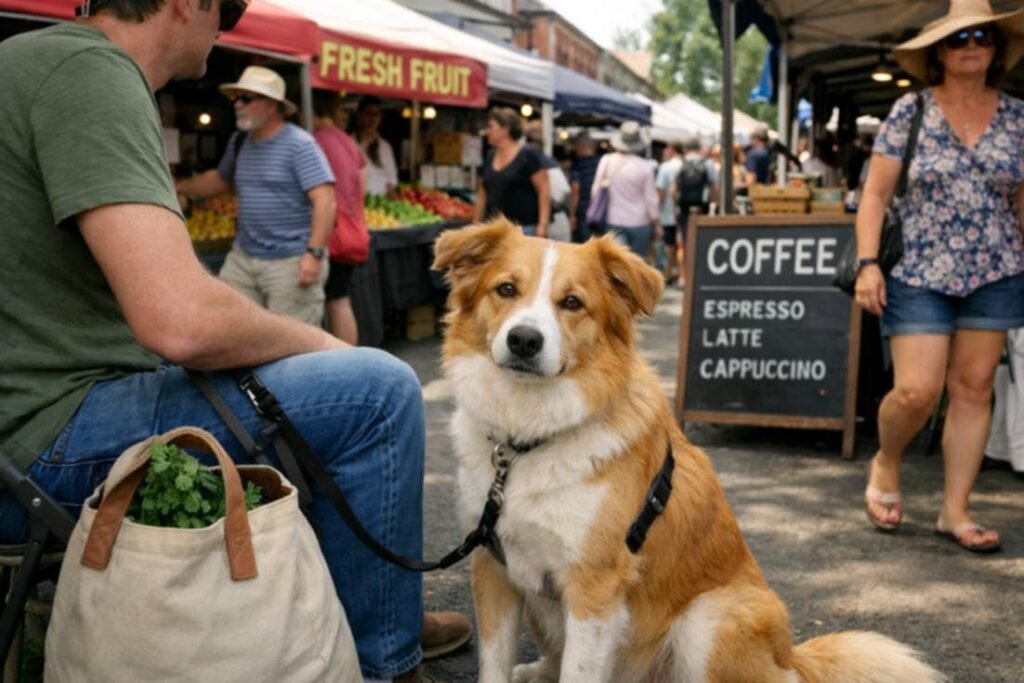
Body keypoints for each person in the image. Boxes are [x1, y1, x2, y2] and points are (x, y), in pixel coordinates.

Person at [0, 2, 468, 681]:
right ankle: (381, 659)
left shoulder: (24, 60)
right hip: (45, 440)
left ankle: (365, 604)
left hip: (22, 429)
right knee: (378, 390)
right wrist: (319, 345)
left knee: (303, 397)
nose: (227, 26)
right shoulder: (90, 69)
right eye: (229, 8)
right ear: (187, 3)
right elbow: (179, 321)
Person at [855, 0, 1024, 554]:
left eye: (982, 36)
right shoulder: (910, 111)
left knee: (974, 390)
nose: (971, 44)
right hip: (921, 270)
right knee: (916, 391)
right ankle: (887, 459)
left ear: (996, 49)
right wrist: (867, 263)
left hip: (997, 268)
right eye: (958, 38)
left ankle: (955, 510)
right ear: (939, 53)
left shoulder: (1018, 117)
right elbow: (875, 195)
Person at [175, 66, 336, 328]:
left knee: (291, 346)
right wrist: (179, 187)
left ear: (271, 106)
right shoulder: (240, 141)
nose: (237, 105)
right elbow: (219, 179)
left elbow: (325, 200)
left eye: (246, 99)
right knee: (229, 329)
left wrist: (314, 255)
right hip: (243, 259)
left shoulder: (300, 144)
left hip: (290, 263)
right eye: (236, 98)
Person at [313, 90, 367, 345]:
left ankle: (346, 357)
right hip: (352, 228)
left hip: (333, 233)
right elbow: (362, 184)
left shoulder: (316, 141)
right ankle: (349, 356)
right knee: (341, 299)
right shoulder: (347, 141)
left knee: (336, 301)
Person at [474, 106, 551, 237]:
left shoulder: (528, 155)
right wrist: (476, 222)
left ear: (505, 129)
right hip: (493, 230)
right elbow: (482, 192)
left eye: (491, 126)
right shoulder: (490, 156)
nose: (488, 131)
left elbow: (544, 190)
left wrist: (543, 225)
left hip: (523, 230)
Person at [591, 121, 661, 258]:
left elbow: (596, 191)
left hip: (613, 220)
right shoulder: (645, 167)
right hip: (640, 222)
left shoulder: (607, 160)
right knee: (638, 265)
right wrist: (657, 223)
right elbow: (651, 199)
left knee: (617, 263)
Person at [671, 137, 718, 284]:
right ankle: (700, 275)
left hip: (684, 209)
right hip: (701, 207)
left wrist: (675, 206)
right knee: (702, 241)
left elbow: (673, 189)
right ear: (698, 147)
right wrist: (715, 205)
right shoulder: (708, 163)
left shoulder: (680, 164)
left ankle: (684, 276)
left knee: (684, 242)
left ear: (685, 149)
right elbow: (714, 187)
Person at [353, 96, 399, 197]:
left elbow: (392, 180)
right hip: (357, 201)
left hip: (380, 206)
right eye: (369, 114)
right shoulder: (349, 143)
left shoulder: (385, 147)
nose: (373, 119)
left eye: (376, 115)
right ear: (360, 116)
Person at [655, 140, 683, 283]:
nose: (665, 151)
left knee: (669, 244)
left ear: (672, 149)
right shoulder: (685, 164)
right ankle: (680, 272)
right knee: (681, 243)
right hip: (684, 212)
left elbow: (661, 191)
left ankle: (670, 270)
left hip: (667, 212)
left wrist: (657, 211)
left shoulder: (665, 167)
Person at [569, 131, 602, 243]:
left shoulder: (577, 164)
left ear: (579, 147)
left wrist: (572, 215)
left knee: (586, 245)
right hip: (601, 208)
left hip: (584, 209)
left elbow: (575, 189)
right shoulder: (602, 161)